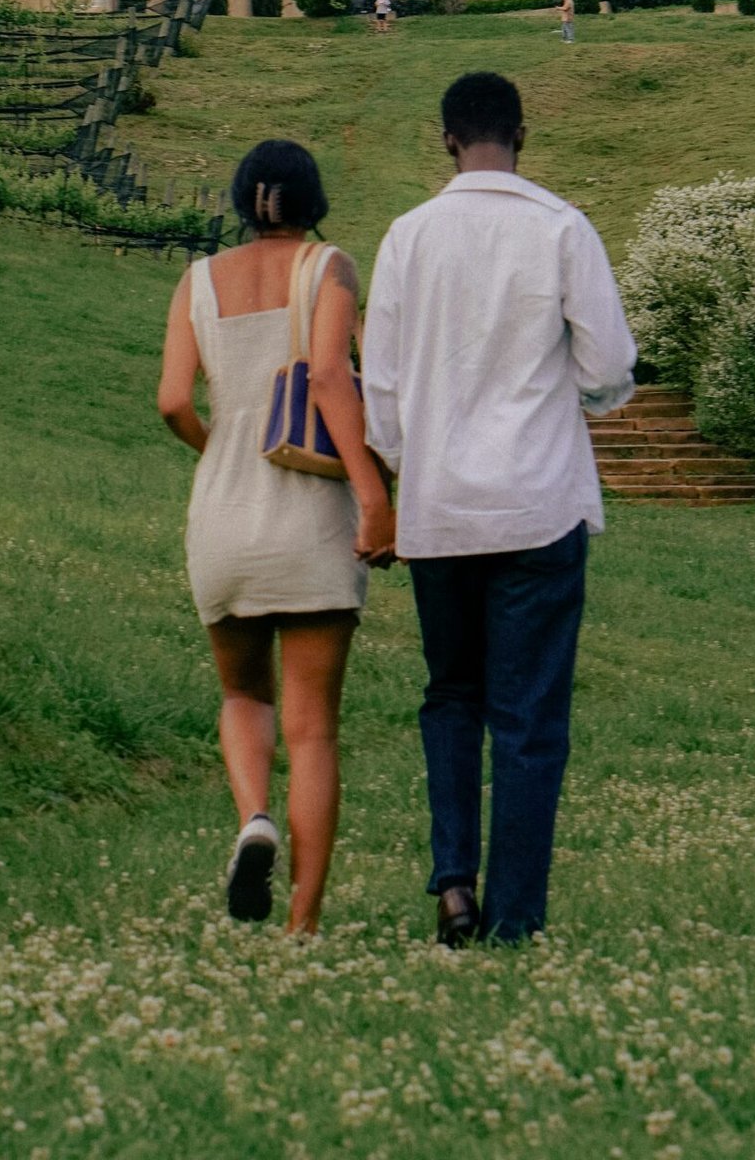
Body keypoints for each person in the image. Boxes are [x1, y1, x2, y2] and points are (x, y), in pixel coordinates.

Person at [362, 72, 635, 947]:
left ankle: (453, 883)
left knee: (452, 695)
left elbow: (384, 392)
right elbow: (607, 368)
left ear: (446, 139)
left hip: (440, 511)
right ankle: (514, 919)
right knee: (529, 716)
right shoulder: (561, 227)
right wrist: (581, 403)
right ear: (523, 133)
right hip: (537, 505)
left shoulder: (408, 237)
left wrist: (417, 468)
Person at [158, 140, 397, 933]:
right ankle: (302, 921)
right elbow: (330, 377)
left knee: (240, 692)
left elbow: (171, 403)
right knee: (314, 727)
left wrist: (220, 452)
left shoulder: (196, 281)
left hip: (222, 517)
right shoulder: (329, 266)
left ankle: (254, 814)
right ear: (313, 198)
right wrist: (373, 496)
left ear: (239, 198)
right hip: (310, 523)